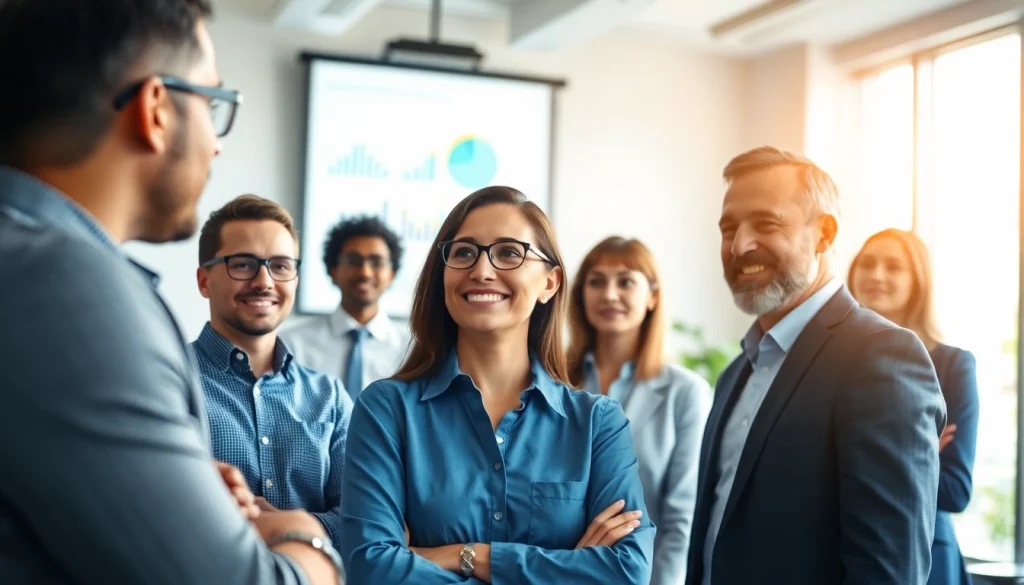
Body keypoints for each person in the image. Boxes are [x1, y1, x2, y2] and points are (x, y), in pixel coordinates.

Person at [0, 2, 341, 584]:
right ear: (155, 109)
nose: (216, 144)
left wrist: (180, 494)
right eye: (212, 104)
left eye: (282, 266)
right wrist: (302, 538)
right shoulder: (66, 289)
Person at [340, 186, 655, 584]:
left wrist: (464, 556)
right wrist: (568, 567)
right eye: (464, 252)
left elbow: (626, 572)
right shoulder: (386, 409)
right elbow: (373, 570)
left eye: (509, 252)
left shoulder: (598, 423)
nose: (482, 270)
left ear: (550, 283)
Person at [686, 147, 946, 585]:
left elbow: (888, 573)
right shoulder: (736, 373)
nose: (740, 245)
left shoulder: (880, 357)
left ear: (824, 234)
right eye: (728, 228)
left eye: (766, 224)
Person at [191, 194, 354, 549]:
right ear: (204, 281)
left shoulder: (330, 397)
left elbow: (364, 521)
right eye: (244, 264)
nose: (264, 281)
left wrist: (285, 525)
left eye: (280, 266)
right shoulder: (171, 381)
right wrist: (312, 527)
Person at [567, 236, 710, 585]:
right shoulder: (553, 383)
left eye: (626, 281)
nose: (610, 294)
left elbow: (682, 518)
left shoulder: (686, 393)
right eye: (596, 281)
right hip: (559, 571)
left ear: (653, 297)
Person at [848, 228, 979, 585]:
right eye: (868, 264)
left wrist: (861, 455)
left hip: (929, 560)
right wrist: (916, 452)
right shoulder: (832, 363)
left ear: (918, 281)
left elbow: (954, 489)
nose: (877, 275)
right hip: (842, 552)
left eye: (894, 267)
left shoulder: (954, 366)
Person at [281, 216, 409, 399]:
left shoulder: (413, 352)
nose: (365, 272)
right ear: (333, 270)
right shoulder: (291, 346)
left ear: (392, 273)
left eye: (376, 262)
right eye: (353, 261)